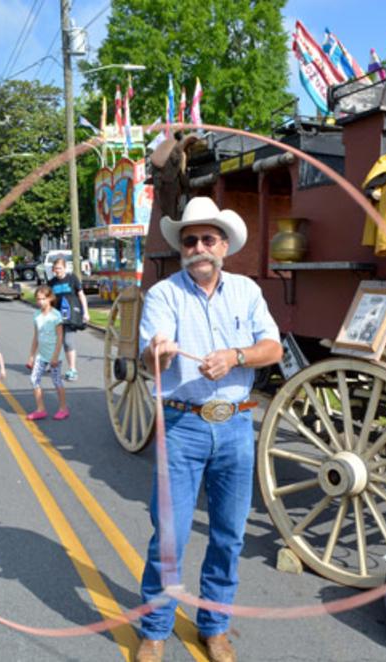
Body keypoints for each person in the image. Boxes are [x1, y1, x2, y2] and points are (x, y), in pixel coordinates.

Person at [135, 197, 283, 662]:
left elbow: (273, 348)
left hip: (237, 424)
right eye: (190, 240)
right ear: (182, 247)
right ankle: (155, 628)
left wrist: (236, 356)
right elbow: (148, 358)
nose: (198, 246)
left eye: (207, 239)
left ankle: (214, 626)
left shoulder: (246, 291)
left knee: (228, 534)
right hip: (182, 424)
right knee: (171, 535)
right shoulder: (163, 295)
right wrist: (158, 351)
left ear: (223, 246)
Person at [26, 285, 69, 420]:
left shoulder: (56, 315)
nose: (40, 302)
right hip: (42, 355)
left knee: (56, 381)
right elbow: (36, 336)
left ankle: (63, 408)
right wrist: (31, 356)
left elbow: (60, 337)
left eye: (43, 299)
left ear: (50, 298)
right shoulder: (36, 315)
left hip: (54, 354)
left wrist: (55, 356)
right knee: (34, 379)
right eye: (38, 299)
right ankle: (40, 409)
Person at [48, 257, 89, 381]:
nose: (57, 271)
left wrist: (85, 312)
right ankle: (53, 362)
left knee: (68, 341)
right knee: (54, 341)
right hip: (56, 316)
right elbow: (48, 300)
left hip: (70, 316)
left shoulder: (72, 279)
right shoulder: (51, 283)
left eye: (59, 268)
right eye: (55, 269)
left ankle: (72, 369)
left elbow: (81, 295)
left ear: (65, 268)